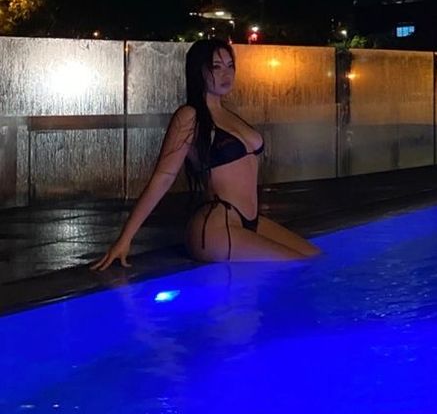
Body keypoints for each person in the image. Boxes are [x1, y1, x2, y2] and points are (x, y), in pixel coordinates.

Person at [92, 38, 320, 269]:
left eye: (230, 65)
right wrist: (125, 238)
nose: (226, 74)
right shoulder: (190, 116)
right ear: (199, 70)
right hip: (216, 225)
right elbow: (163, 177)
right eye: (216, 67)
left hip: (248, 222)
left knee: (316, 259)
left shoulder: (230, 115)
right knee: (300, 268)